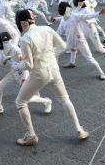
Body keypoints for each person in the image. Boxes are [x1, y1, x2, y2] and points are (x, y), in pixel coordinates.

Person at [12, 9, 89, 146]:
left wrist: (17, 66)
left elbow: (28, 65)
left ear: (23, 23)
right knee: (65, 99)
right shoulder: (47, 29)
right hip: (54, 69)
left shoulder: (25, 39)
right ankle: (79, 129)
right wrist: (51, 55)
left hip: (39, 73)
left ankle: (31, 135)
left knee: (20, 102)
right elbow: (63, 46)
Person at [0, 32, 52, 117]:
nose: (4, 45)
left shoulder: (16, 50)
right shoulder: (3, 53)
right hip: (13, 73)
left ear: (9, 41)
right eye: (2, 43)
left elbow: (25, 62)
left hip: (22, 74)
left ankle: (47, 101)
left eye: (5, 42)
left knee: (28, 98)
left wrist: (14, 61)